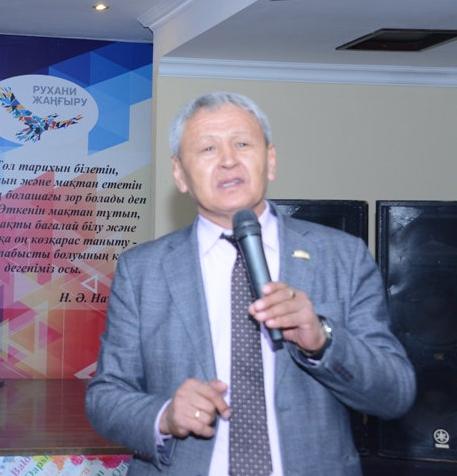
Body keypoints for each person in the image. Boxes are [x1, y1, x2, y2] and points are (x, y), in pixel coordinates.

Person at [85, 92, 415, 476]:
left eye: (242, 144)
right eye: (208, 148)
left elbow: (396, 394)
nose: (228, 159)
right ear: (179, 173)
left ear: (270, 160)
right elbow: (105, 397)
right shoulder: (142, 270)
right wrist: (164, 415)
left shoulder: (343, 256)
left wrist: (322, 339)